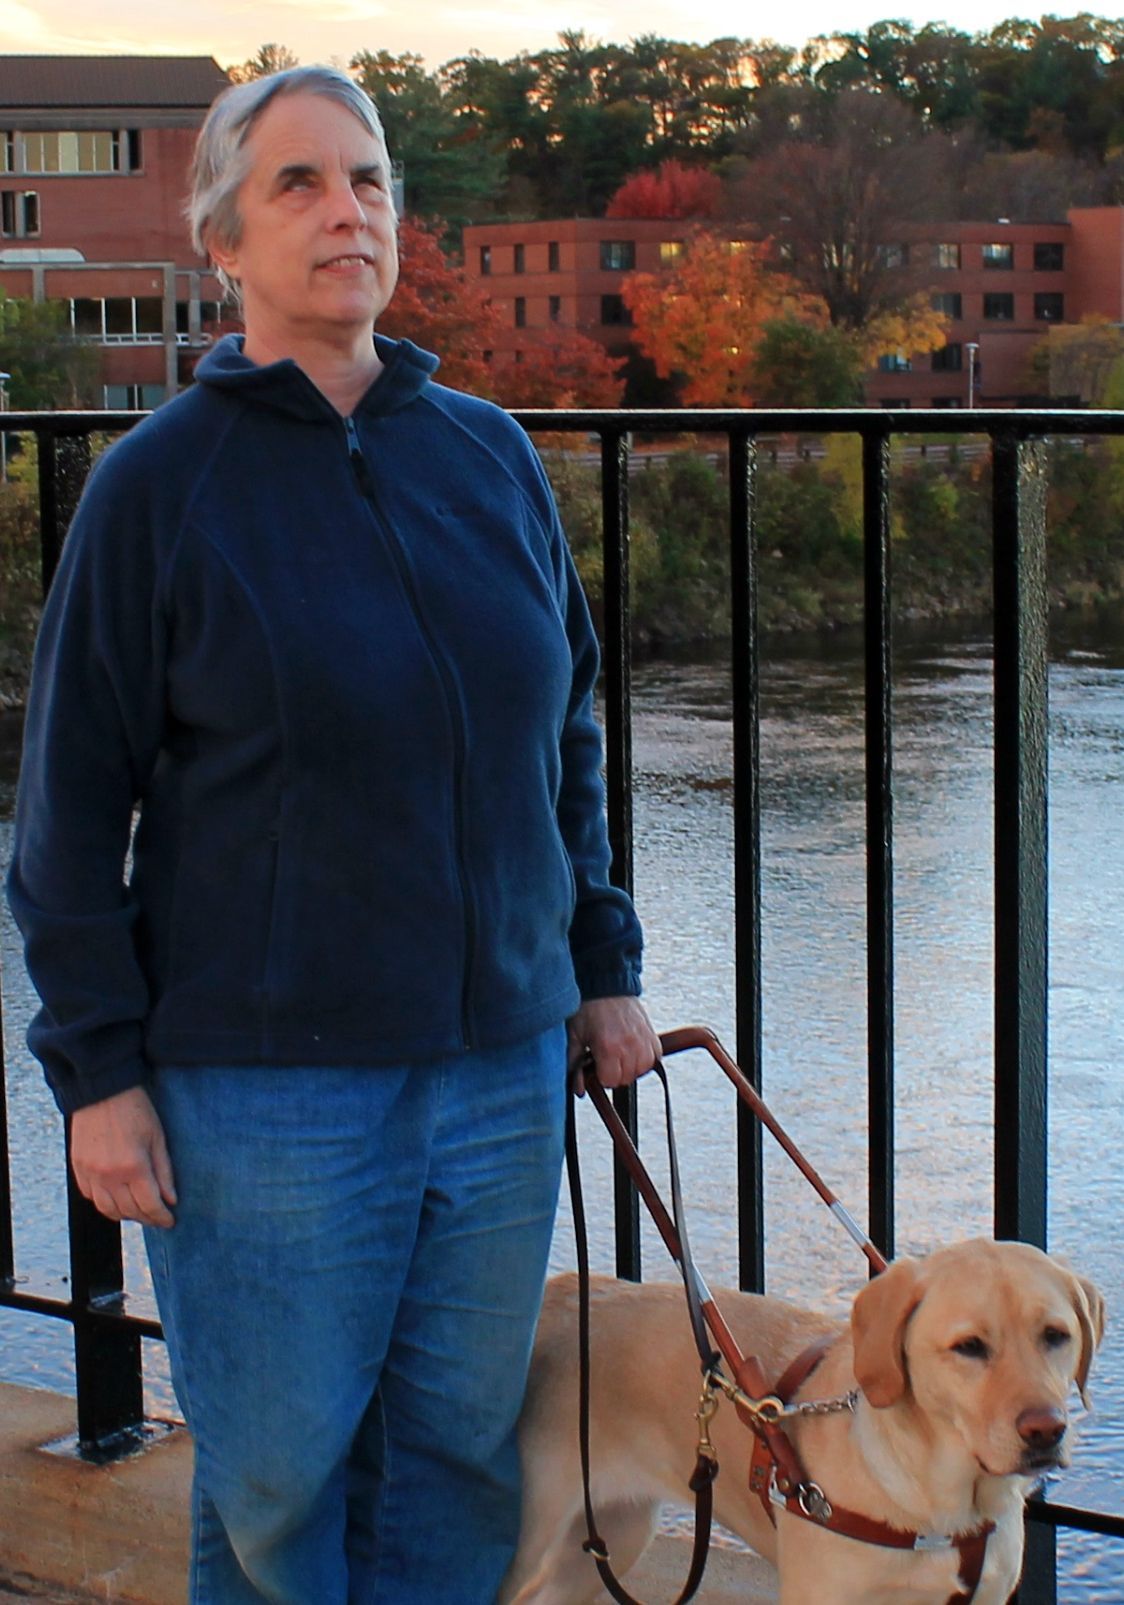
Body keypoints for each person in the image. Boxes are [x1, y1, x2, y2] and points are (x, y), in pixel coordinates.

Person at [7, 65, 659, 1604]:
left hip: (500, 1070)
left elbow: (562, 733)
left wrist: (601, 964)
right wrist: (100, 1072)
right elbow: (67, 814)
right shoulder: (158, 488)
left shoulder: (489, 457)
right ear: (221, 239)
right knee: (278, 1481)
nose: (345, 210)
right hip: (267, 1091)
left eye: (367, 181)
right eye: (297, 184)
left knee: (455, 1457)